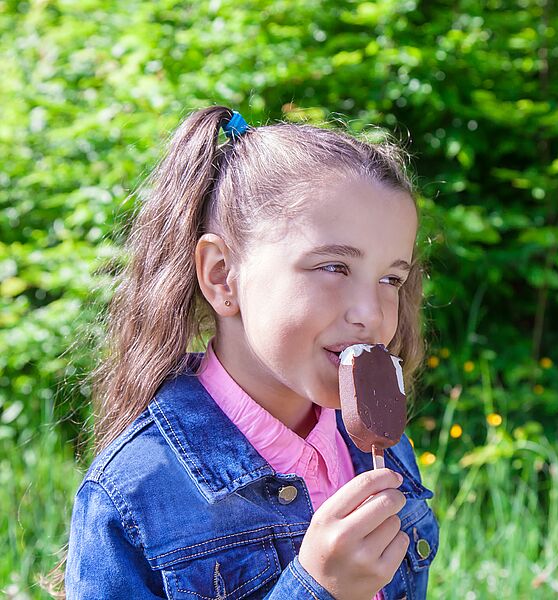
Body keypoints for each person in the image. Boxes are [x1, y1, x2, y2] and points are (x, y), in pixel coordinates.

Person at [61, 106, 439, 599]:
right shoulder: (135, 494)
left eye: (391, 278)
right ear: (222, 276)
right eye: (333, 267)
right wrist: (316, 589)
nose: (370, 313)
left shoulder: (382, 449)